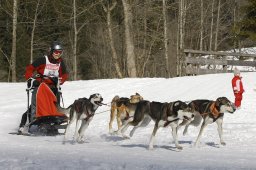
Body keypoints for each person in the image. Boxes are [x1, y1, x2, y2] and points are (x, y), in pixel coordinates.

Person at [18, 41, 68, 133]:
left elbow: (64, 75)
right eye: (56, 52)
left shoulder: (61, 63)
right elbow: (30, 69)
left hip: (53, 87)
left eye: (60, 52)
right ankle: (29, 122)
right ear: (51, 51)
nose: (58, 54)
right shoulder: (43, 60)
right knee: (36, 105)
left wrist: (60, 81)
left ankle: (52, 123)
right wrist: (29, 79)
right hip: (40, 86)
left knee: (54, 105)